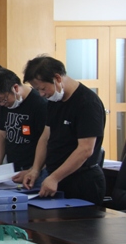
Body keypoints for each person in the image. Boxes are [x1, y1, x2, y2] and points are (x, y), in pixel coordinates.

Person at [22, 55, 106, 205]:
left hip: (82, 182)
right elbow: (45, 137)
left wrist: (55, 177)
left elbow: (85, 149)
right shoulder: (55, 100)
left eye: (43, 88)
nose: (41, 94)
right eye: (37, 90)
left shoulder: (87, 103)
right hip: (55, 178)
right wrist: (35, 169)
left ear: (57, 78)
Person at [0, 67, 47, 175]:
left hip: (35, 171)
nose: (1, 104)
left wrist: (34, 170)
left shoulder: (40, 104)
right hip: (13, 169)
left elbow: (46, 141)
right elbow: (1, 135)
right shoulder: (5, 104)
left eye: (2, 99)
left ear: (15, 88)